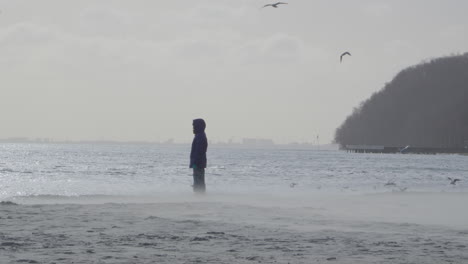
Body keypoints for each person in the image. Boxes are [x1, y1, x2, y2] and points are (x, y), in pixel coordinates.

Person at [190, 118, 208, 193]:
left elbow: (199, 151)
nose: (193, 128)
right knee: (198, 180)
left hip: (198, 163)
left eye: (194, 126)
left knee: (198, 180)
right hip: (198, 163)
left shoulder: (200, 136)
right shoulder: (199, 136)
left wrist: (194, 163)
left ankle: (199, 196)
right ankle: (199, 196)